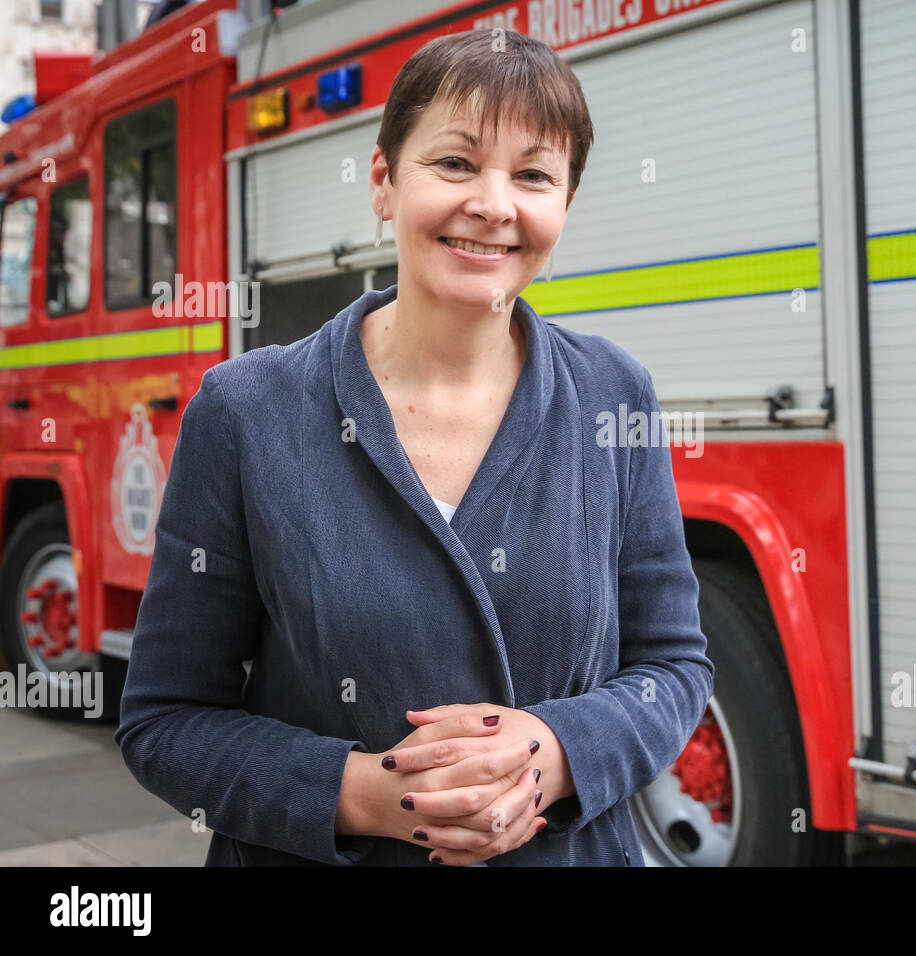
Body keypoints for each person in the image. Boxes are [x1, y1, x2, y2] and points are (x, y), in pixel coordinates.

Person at [114, 28, 715, 867]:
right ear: (384, 182)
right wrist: (360, 794)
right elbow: (164, 720)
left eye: (534, 175)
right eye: (456, 164)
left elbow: (674, 665)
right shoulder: (248, 410)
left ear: (564, 206)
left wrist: (558, 750)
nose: (495, 205)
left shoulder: (617, 395)